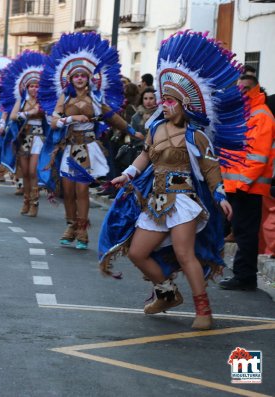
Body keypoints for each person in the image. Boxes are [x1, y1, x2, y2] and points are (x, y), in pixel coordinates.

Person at [98, 31, 247, 330]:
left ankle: (203, 310)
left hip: (183, 201)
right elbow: (145, 158)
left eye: (169, 101)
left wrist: (220, 195)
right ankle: (167, 293)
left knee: (184, 253)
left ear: (182, 104)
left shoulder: (196, 135)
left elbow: (210, 168)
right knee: (138, 252)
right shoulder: (155, 130)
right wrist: (125, 175)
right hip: (156, 201)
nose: (163, 105)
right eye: (162, 100)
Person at [38, 32, 140, 248]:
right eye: (76, 76)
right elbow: (54, 121)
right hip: (68, 147)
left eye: (83, 75)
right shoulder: (65, 98)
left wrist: (132, 131)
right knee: (67, 190)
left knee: (82, 189)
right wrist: (71, 118)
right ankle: (70, 225)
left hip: (88, 147)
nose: (80, 78)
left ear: (89, 78)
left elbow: (112, 117)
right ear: (70, 79)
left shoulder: (96, 99)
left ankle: (82, 231)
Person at [219, 74, 275, 291]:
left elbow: (257, 156)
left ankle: (245, 277)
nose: (240, 92)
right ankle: (243, 275)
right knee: (242, 231)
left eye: (244, 89)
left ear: (253, 89)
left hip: (247, 186)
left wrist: (242, 184)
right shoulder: (247, 112)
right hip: (240, 185)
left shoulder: (260, 115)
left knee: (245, 232)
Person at [0, 51, 47, 216]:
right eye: (31, 86)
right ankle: (26, 200)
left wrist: (35, 112)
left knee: (33, 171)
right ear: (27, 87)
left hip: (38, 137)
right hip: (23, 138)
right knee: (24, 171)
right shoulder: (22, 101)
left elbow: (48, 116)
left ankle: (35, 202)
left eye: (37, 86)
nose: (34, 89)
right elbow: (12, 115)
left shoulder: (45, 102)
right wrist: (28, 113)